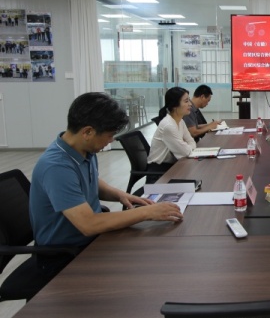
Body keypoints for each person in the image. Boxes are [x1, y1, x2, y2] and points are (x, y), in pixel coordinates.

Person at [30, 92, 183, 275]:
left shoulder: (83, 149)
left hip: (90, 241)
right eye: (109, 135)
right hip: (65, 255)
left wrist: (119, 195)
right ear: (87, 132)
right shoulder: (56, 166)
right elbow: (89, 224)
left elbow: (90, 182)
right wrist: (146, 212)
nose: (111, 140)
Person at [147, 87, 196, 180]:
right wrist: (186, 147)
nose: (190, 104)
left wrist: (186, 147)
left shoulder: (180, 121)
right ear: (174, 105)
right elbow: (185, 152)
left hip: (173, 166)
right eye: (186, 101)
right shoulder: (168, 125)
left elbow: (191, 141)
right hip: (159, 173)